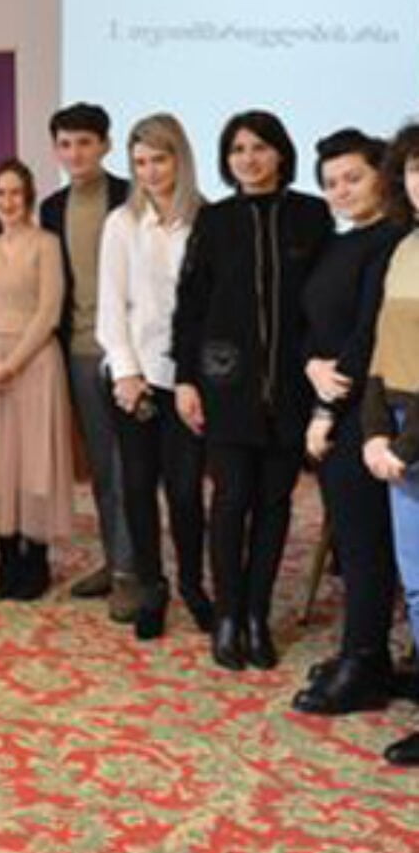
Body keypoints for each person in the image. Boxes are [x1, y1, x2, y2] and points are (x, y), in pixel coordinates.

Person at [173, 110, 333, 671]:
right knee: (231, 500)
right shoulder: (215, 220)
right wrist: (185, 378)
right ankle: (227, 616)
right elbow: (190, 304)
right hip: (226, 386)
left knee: (273, 504)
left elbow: (323, 305)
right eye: (237, 149)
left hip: (290, 387)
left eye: (259, 147)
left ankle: (257, 616)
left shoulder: (312, 216)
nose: (249, 158)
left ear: (281, 154)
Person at [295, 130, 402, 713]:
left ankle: (364, 663)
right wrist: (310, 364)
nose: (341, 190)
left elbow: (366, 336)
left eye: (353, 178)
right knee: (355, 541)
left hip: (367, 411)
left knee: (365, 547)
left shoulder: (394, 241)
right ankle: (364, 654)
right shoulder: (338, 243)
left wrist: (324, 413)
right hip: (333, 400)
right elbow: (310, 324)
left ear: (382, 175)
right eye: (331, 183)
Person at [96, 114, 211, 640]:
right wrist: (125, 372)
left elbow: (209, 308)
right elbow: (111, 304)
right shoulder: (121, 222)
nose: (149, 171)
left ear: (179, 159)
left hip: (186, 381)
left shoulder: (208, 219)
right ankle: (153, 588)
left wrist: (194, 377)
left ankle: (193, 585)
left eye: (159, 159)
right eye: (139, 162)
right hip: (133, 379)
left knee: (185, 492)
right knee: (138, 489)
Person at [0, 160, 73, 600]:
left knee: (33, 459)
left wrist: (12, 364)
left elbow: (49, 311)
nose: (7, 201)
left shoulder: (47, 244)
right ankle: (6, 558)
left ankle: (35, 560)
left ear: (28, 197)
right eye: (0, 193)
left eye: (15, 193)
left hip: (34, 363)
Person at [38, 103, 136, 617]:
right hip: (78, 351)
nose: (75, 153)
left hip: (129, 355)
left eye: (85, 143)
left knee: (128, 466)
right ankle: (115, 560)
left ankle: (131, 573)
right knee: (101, 466)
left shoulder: (131, 196)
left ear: (105, 145)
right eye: (65, 144)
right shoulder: (51, 208)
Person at [360, 121, 419, 765]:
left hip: (414, 438)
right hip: (399, 427)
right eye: (414, 168)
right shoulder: (404, 249)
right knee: (417, 582)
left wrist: (404, 446)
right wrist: (376, 428)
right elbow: (382, 350)